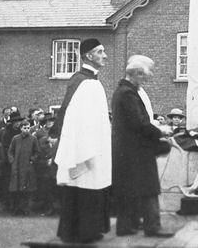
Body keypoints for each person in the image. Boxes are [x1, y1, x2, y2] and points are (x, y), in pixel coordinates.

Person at [51, 38, 112, 244]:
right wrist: (78, 146)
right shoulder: (81, 81)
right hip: (81, 145)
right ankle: (78, 232)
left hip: (94, 143)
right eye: (100, 52)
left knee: (91, 184)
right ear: (88, 56)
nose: (104, 55)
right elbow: (68, 111)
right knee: (82, 183)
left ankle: (90, 230)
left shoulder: (93, 81)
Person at [112, 55, 174, 237]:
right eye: (145, 76)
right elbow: (139, 123)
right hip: (137, 151)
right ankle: (152, 227)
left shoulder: (121, 91)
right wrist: (161, 132)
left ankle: (126, 226)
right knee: (149, 189)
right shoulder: (129, 94)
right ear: (137, 74)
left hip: (126, 150)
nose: (146, 80)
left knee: (128, 190)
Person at [8, 120, 39, 216]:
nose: (26, 130)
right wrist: (12, 161)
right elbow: (10, 151)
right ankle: (16, 209)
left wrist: (32, 159)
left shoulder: (33, 139)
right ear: (21, 128)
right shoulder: (15, 138)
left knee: (26, 189)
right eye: (24, 128)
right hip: (17, 167)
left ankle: (25, 209)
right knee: (16, 189)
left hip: (27, 167)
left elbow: (37, 152)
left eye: (28, 128)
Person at [33, 113, 58, 216]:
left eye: (52, 121)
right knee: (46, 190)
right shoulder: (41, 140)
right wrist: (45, 162)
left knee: (58, 190)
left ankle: (58, 209)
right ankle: (48, 208)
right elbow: (37, 156)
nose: (49, 123)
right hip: (45, 171)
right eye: (47, 121)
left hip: (57, 169)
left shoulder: (60, 138)